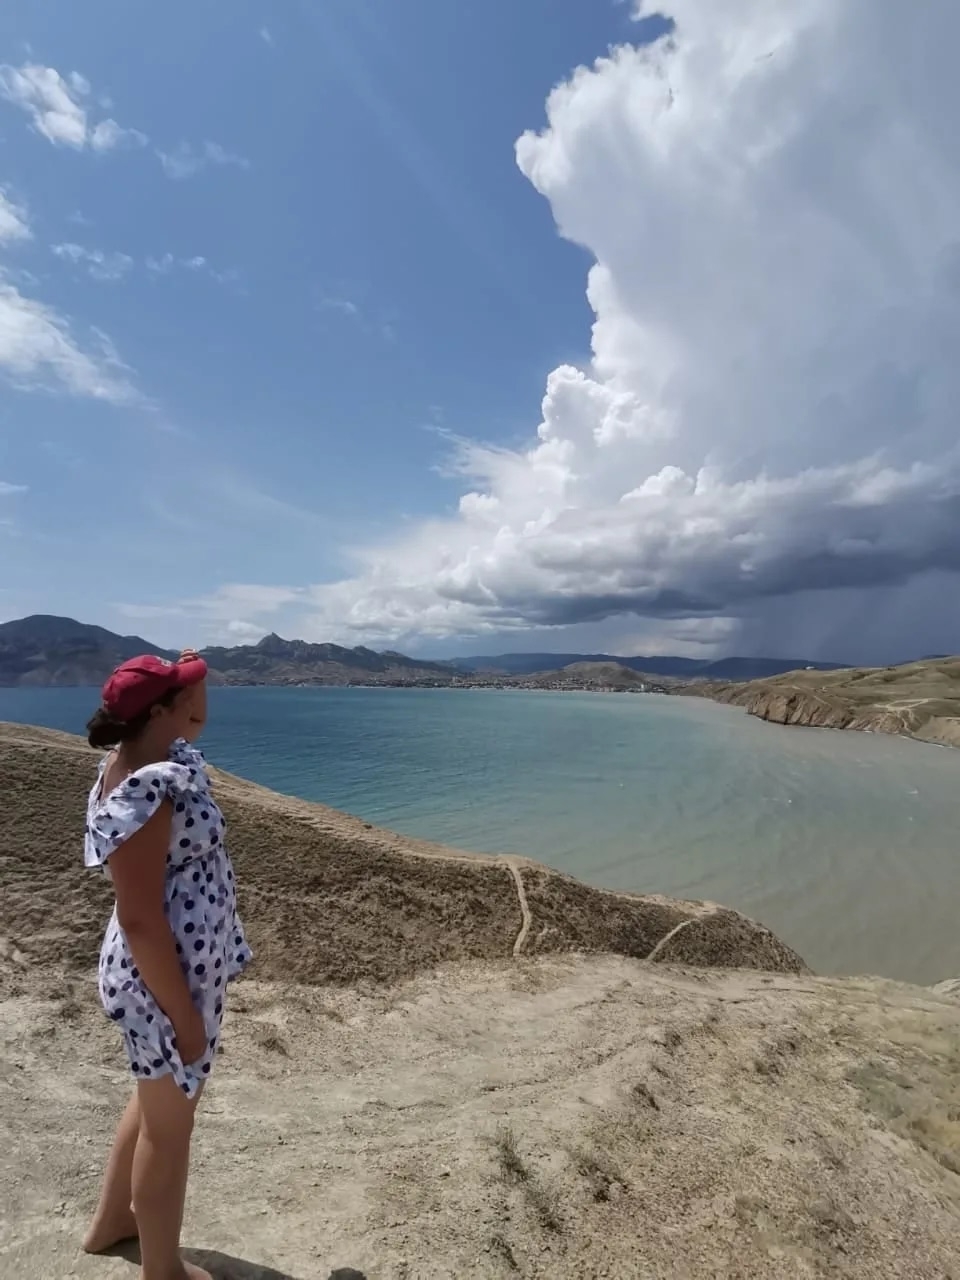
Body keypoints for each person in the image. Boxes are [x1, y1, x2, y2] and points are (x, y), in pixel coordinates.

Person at [81, 649, 251, 1280]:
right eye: (181, 695)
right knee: (169, 1133)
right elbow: (140, 919)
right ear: (157, 713)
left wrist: (188, 674)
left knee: (156, 1105)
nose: (196, 704)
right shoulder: (145, 792)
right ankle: (163, 1272)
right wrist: (183, 1017)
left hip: (174, 969)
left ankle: (112, 1223)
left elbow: (192, 718)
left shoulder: (144, 756)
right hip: (164, 980)